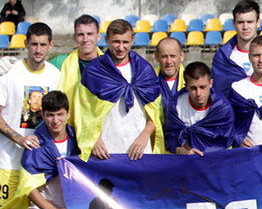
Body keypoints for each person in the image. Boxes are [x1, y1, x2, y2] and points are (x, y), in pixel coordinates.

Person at [0, 23, 61, 209]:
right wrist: (19, 139)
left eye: (43, 44)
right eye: (33, 44)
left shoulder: (55, 75)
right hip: (9, 161)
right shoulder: (9, 74)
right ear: (26, 44)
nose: (38, 50)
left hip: (40, 166)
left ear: (51, 46)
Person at [77, 19, 164, 161]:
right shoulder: (94, 70)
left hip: (140, 148)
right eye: (116, 42)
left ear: (133, 40)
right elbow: (83, 110)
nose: (121, 47)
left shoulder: (145, 70)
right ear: (107, 40)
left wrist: (145, 136)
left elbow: (156, 112)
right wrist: (94, 138)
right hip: (106, 149)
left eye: (125, 42)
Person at [212, 0, 262, 95]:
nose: (245, 27)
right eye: (240, 22)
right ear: (234, 23)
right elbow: (219, 95)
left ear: (258, 23)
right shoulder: (223, 56)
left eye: (250, 22)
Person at [164, 62, 234, 155]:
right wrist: (182, 150)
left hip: (215, 159)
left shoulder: (222, 108)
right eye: (193, 88)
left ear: (211, 83)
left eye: (202, 87)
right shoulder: (176, 104)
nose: (198, 93)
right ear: (186, 87)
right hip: (185, 159)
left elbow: (224, 141)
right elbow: (170, 137)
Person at [58, 15, 103, 130]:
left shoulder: (110, 65)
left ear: (98, 36)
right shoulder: (61, 63)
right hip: (70, 129)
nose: (85, 39)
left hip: (101, 129)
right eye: (80, 35)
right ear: (74, 37)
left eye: (90, 34)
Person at [154, 37, 185, 108]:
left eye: (172, 56)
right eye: (164, 56)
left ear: (181, 56)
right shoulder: (149, 81)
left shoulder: (190, 80)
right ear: (157, 57)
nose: (169, 61)